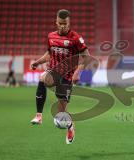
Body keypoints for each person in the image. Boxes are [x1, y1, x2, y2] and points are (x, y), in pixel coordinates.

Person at [30, 9, 89, 144]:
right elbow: (49, 54)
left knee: (61, 113)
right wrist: (38, 62)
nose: (63, 26)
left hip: (67, 76)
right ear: (56, 22)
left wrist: (77, 72)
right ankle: (38, 116)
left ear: (69, 23)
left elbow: (86, 57)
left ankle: (70, 126)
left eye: (65, 23)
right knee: (42, 78)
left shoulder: (76, 38)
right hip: (54, 71)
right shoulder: (51, 36)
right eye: (60, 23)